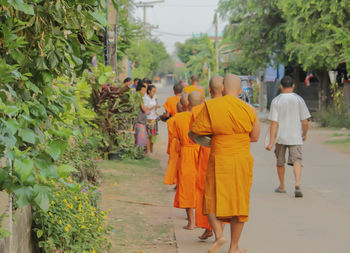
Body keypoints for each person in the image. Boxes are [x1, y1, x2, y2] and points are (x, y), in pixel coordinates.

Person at [189, 74, 260, 253]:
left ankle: (219, 235)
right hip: (242, 159)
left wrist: (215, 138)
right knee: (239, 202)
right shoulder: (250, 109)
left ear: (222, 88)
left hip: (219, 156)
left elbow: (195, 132)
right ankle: (234, 247)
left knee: (212, 197)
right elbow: (255, 136)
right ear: (241, 89)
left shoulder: (211, 106)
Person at [266, 75, 311, 198]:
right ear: (293, 86)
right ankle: (297, 183)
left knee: (280, 162)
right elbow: (305, 121)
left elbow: (274, 124)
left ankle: (282, 186)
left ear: (281, 87)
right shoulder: (299, 100)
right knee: (297, 160)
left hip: (281, 137)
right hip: (295, 136)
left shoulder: (276, 101)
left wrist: (271, 142)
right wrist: (304, 133)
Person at [193, 76, 224, 241]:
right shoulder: (233, 106)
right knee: (223, 192)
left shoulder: (205, 108)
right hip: (228, 153)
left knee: (206, 191)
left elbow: (194, 133)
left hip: (207, 152)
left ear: (210, 91)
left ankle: (210, 229)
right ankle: (220, 231)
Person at [173, 91, 202, 230]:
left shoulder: (178, 118)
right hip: (201, 152)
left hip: (186, 154)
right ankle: (205, 223)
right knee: (201, 187)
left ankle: (191, 222)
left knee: (187, 186)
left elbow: (175, 138)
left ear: (187, 103)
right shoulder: (203, 116)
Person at [163, 103, 184, 186]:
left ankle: (174, 180)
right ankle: (179, 182)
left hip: (174, 144)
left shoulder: (170, 120)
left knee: (174, 164)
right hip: (185, 145)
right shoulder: (189, 117)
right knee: (182, 164)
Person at [143, 85, 160, 154]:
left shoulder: (154, 98)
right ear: (149, 91)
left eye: (155, 91)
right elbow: (145, 109)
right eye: (153, 91)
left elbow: (154, 110)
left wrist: (159, 115)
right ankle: (148, 151)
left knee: (154, 136)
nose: (154, 93)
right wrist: (154, 106)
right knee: (148, 135)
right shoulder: (145, 98)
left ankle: (151, 150)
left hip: (154, 118)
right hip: (148, 118)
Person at [134, 82, 147, 148]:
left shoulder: (135, 96)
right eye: (143, 91)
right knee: (140, 140)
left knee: (137, 138)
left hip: (136, 121)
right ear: (139, 90)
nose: (144, 92)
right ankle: (139, 152)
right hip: (139, 121)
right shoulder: (139, 97)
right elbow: (144, 109)